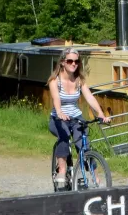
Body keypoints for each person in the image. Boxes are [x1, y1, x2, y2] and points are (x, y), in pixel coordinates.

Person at [47, 48, 110, 189]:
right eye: (70, 61)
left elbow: (90, 97)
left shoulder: (79, 80)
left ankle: (95, 177)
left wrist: (101, 114)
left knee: (84, 145)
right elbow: (56, 98)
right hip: (58, 119)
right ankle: (62, 170)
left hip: (76, 118)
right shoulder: (55, 81)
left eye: (76, 61)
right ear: (63, 62)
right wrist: (59, 112)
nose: (73, 64)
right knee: (64, 136)